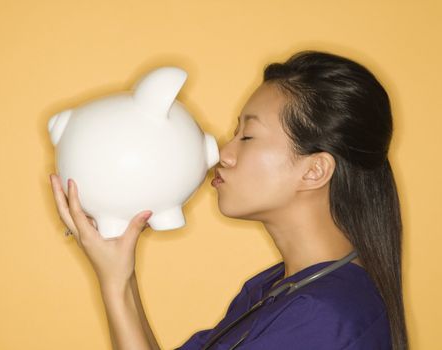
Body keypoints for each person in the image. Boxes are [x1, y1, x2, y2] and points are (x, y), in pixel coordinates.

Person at [49, 50, 408, 350]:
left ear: (314, 171)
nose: (223, 153)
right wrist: (118, 276)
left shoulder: (324, 316)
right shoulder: (279, 289)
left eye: (247, 136)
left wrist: (115, 284)